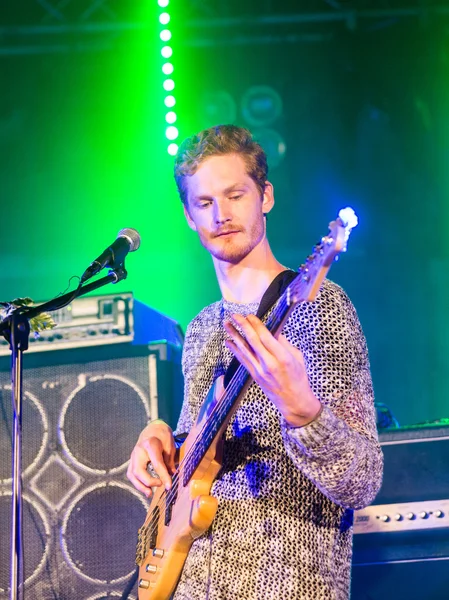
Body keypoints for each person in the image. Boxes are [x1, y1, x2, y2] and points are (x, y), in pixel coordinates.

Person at [127, 124, 383, 600]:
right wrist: (162, 438)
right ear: (188, 216)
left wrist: (304, 412)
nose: (221, 214)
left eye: (235, 195)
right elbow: (195, 464)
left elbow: (362, 480)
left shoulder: (319, 307)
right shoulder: (204, 328)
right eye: (204, 203)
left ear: (265, 196)